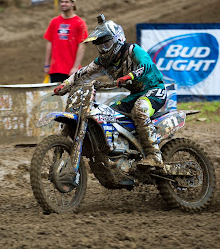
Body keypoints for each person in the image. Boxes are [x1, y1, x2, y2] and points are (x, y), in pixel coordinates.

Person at [54, 14, 166, 169]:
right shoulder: (103, 62)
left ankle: (155, 156)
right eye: (100, 46)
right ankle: (126, 154)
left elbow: (147, 65)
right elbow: (82, 73)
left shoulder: (133, 50)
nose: (104, 49)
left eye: (107, 44)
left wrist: (130, 76)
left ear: (117, 39)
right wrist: (65, 84)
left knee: (139, 110)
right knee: (109, 114)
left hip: (155, 91)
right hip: (135, 95)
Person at [43, 0, 88, 83]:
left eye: (66, 2)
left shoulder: (79, 23)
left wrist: (75, 67)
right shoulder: (54, 22)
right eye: (62, 2)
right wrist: (47, 65)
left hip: (71, 70)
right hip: (55, 69)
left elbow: (82, 46)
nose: (63, 4)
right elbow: (49, 43)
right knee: (55, 96)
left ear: (73, 4)